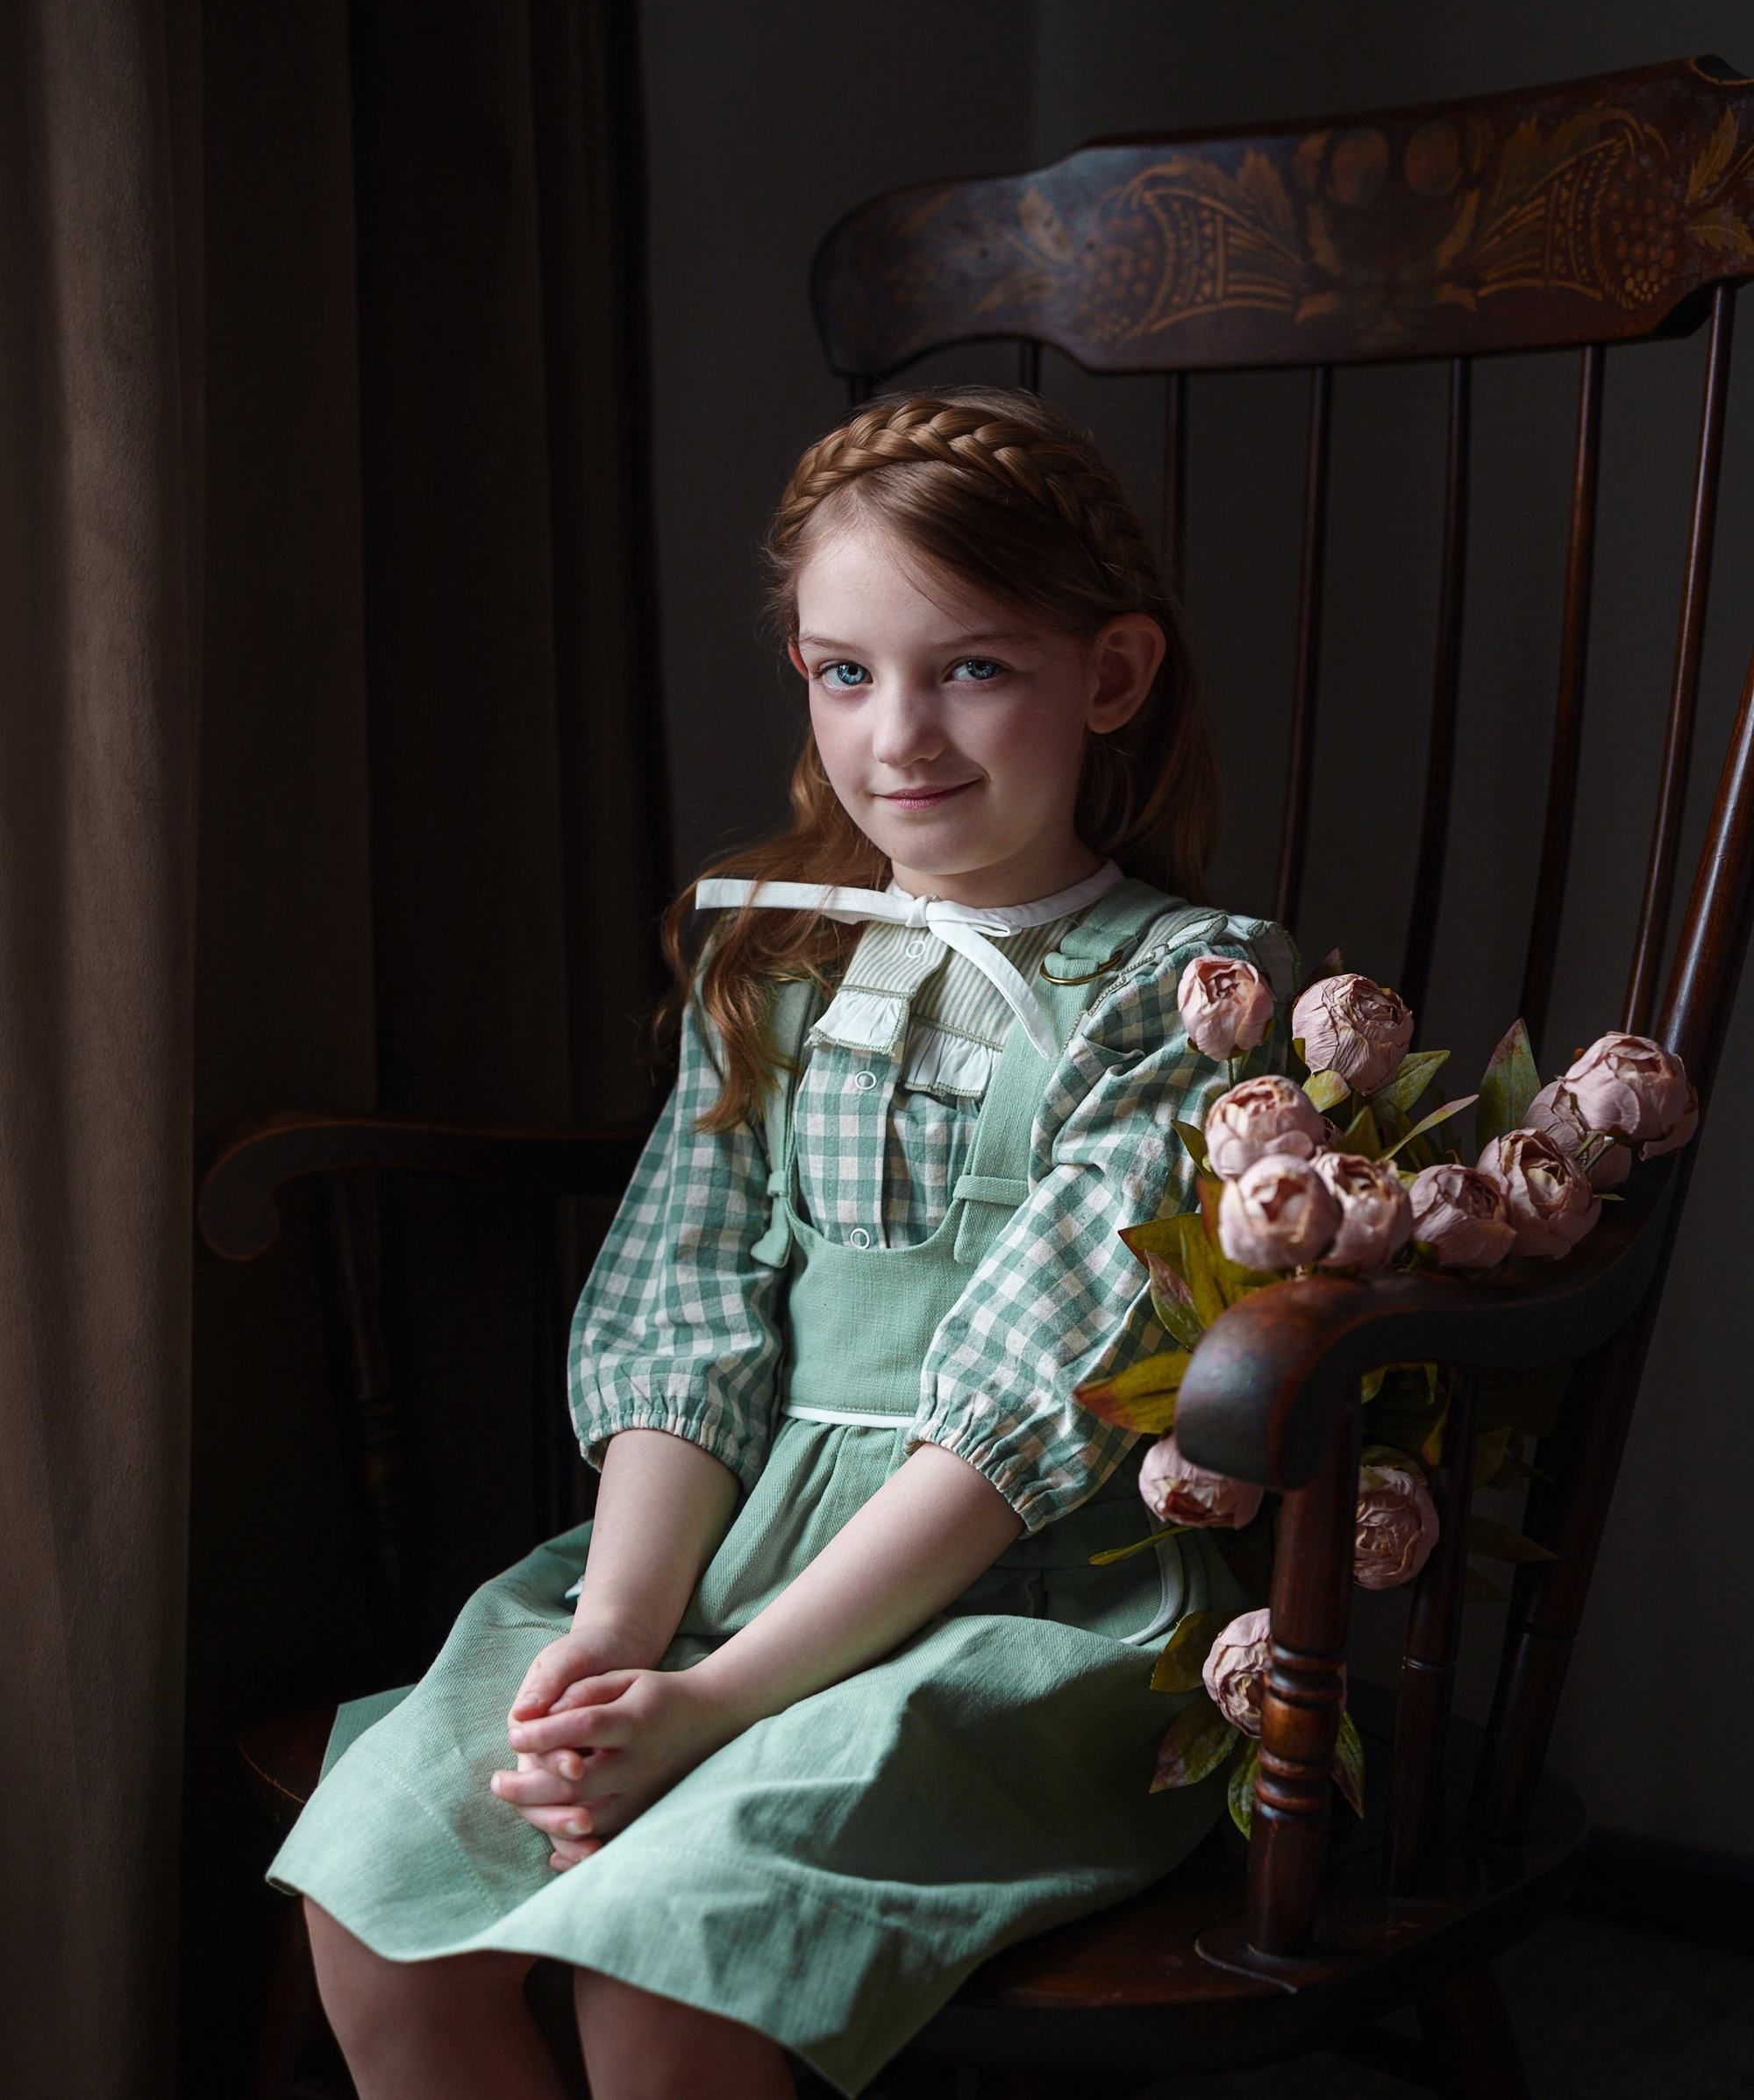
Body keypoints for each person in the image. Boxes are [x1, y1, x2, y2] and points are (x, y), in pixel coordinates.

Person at [273, 388, 1296, 2098]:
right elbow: (689, 1310)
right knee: (379, 1905)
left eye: (973, 666)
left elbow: (1022, 1410)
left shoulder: (1185, 997)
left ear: (1112, 675)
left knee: (661, 1964)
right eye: (843, 671)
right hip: (716, 1559)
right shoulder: (781, 959)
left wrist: (723, 1699)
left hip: (1027, 1605)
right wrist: (622, 1631)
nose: (900, 734)